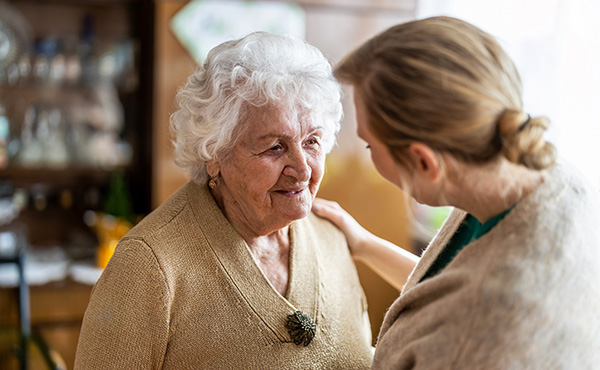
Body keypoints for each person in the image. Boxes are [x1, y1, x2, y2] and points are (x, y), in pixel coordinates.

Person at [313, 16, 600, 369]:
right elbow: (448, 292)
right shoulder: (543, 176)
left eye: (370, 146)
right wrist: (364, 244)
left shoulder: (484, 330)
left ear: (424, 162)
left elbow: (466, 311)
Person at [74, 32, 373, 369]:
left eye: (312, 142)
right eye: (275, 146)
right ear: (214, 153)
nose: (302, 169)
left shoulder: (332, 239)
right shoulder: (148, 267)